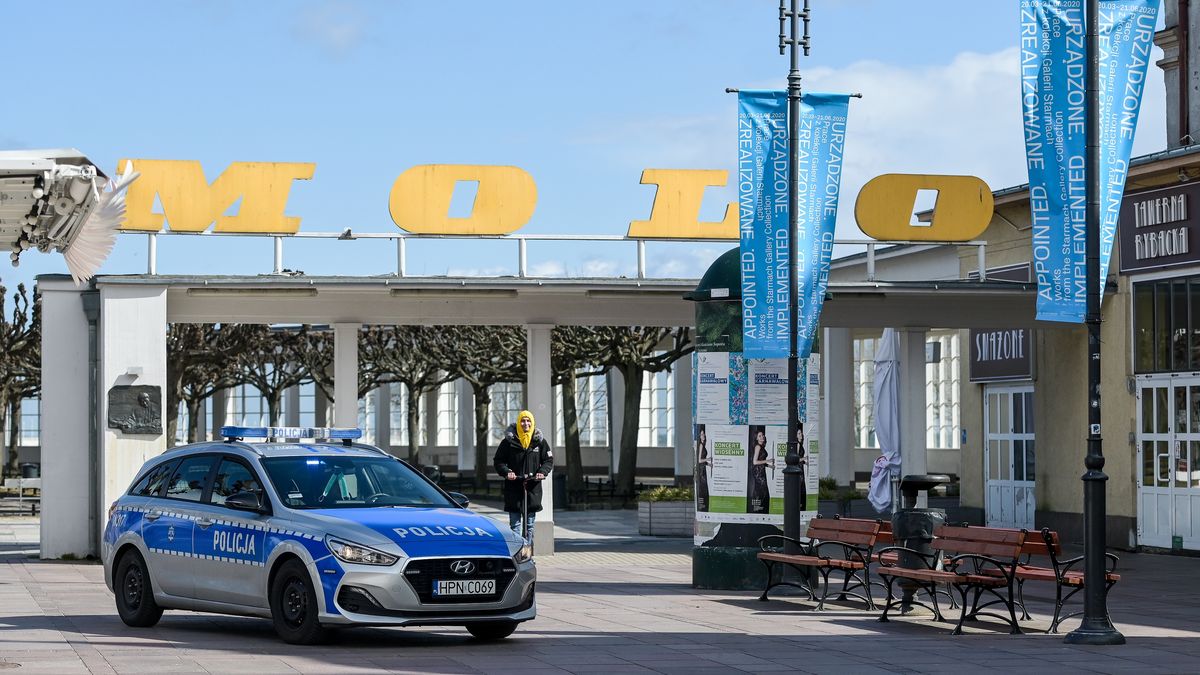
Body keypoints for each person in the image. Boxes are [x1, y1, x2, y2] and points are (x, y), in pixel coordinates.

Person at [493, 410, 553, 547]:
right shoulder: (508, 442)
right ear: (518, 423)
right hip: (514, 487)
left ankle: (527, 553)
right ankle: (517, 553)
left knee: (529, 525)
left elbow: (548, 460)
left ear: (532, 423)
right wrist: (507, 472)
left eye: (528, 421)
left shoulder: (539, 442)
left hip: (532, 488)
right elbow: (498, 461)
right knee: (515, 525)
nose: (526, 424)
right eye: (523, 421)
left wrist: (542, 472)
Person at [749, 427, 773, 514]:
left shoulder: (761, 447)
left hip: (761, 472)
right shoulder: (758, 447)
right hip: (758, 473)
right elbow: (755, 462)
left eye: (762, 435)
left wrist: (769, 466)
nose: (762, 437)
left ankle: (759, 510)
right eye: (759, 436)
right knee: (761, 491)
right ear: (756, 438)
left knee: (761, 491)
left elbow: (760, 460)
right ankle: (758, 510)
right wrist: (767, 461)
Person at [695, 425, 710, 512]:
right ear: (699, 436)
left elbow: (702, 460)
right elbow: (699, 460)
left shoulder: (702, 445)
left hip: (703, 469)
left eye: (704, 434)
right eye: (701, 434)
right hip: (701, 471)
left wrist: (708, 464)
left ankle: (704, 508)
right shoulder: (700, 445)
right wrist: (707, 459)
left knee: (704, 489)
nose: (703, 435)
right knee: (703, 489)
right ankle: (703, 508)